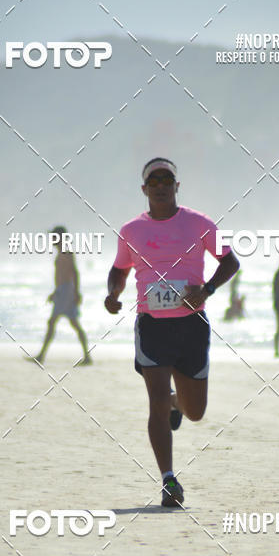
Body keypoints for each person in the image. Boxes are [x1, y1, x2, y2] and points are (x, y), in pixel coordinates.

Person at [104, 158, 239, 507]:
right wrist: (113, 294)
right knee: (157, 400)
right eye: (154, 180)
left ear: (177, 186)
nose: (161, 184)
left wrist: (207, 290)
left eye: (167, 179)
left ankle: (180, 404)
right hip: (152, 324)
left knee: (195, 412)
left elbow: (231, 261)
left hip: (191, 325)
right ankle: (168, 481)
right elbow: (118, 269)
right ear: (144, 189)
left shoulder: (200, 223)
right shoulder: (131, 230)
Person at [33, 226, 91, 365]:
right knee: (74, 323)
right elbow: (61, 274)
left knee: (52, 322)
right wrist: (55, 292)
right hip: (63, 290)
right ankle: (87, 357)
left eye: (54, 236)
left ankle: (41, 356)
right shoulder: (61, 252)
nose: (51, 239)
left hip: (66, 291)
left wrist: (77, 292)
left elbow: (74, 273)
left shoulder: (66, 251)